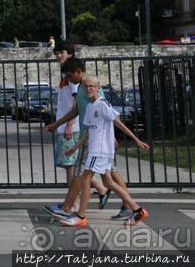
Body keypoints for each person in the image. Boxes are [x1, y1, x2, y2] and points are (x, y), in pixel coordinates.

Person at [44, 58, 129, 219]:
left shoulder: (89, 87)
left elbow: (105, 111)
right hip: (94, 136)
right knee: (109, 172)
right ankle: (129, 205)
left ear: (77, 72)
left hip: (93, 137)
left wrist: (111, 137)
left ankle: (68, 207)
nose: (68, 80)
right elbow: (75, 111)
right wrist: (56, 124)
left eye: (69, 76)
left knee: (80, 172)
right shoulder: (81, 87)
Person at [60, 75, 150, 227]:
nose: (88, 89)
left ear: (98, 88)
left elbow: (118, 123)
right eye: (86, 86)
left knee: (85, 179)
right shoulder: (89, 106)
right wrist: (75, 147)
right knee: (108, 181)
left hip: (100, 151)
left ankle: (81, 216)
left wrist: (137, 140)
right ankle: (137, 210)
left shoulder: (102, 104)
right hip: (96, 150)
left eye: (92, 86)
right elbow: (88, 130)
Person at [51, 41, 80, 193]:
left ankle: (72, 204)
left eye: (62, 52)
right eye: (56, 53)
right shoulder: (65, 73)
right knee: (69, 164)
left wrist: (69, 124)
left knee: (70, 166)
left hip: (71, 128)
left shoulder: (72, 74)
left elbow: (77, 101)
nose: (58, 55)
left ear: (70, 53)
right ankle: (102, 189)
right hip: (65, 127)